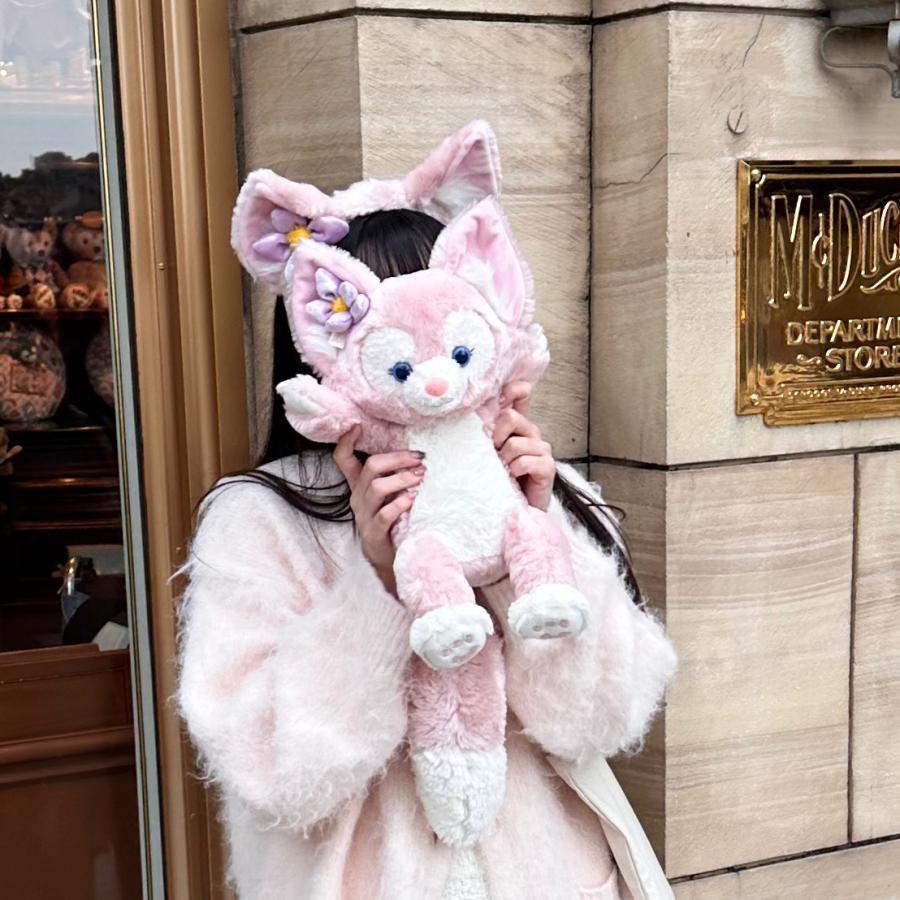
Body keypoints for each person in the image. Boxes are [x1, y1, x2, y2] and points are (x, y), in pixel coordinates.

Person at [177, 207, 677, 900]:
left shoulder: (534, 487)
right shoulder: (260, 517)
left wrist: (530, 547)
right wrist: (379, 587)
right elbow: (273, 768)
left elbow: (603, 719)